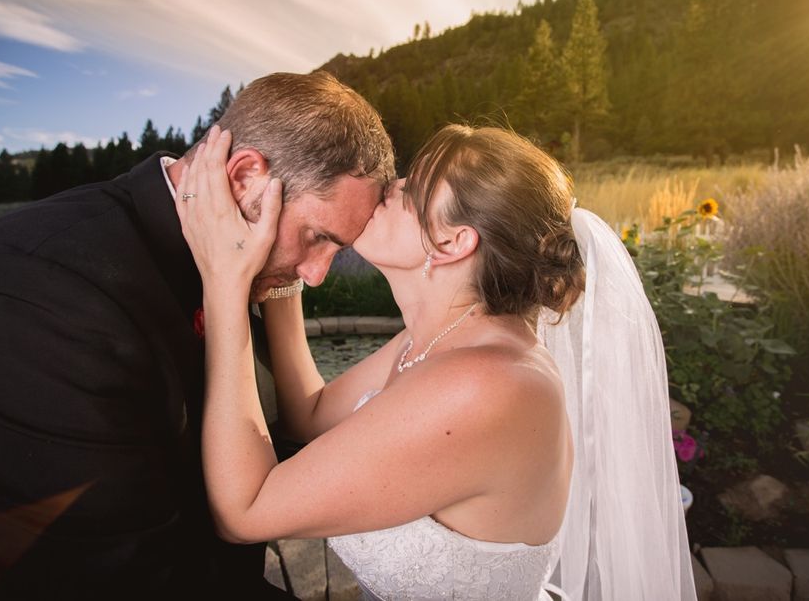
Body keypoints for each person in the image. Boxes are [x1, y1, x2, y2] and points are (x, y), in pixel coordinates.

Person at [177, 124, 697, 600]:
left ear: (452, 242)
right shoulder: (438, 342)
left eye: (409, 188)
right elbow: (309, 415)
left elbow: (244, 512)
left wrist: (224, 278)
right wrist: (280, 258)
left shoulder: (486, 383)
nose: (388, 188)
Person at [0, 71, 395, 599]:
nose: (317, 275)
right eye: (318, 237)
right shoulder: (46, 295)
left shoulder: (237, 263)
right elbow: (131, 576)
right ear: (245, 177)